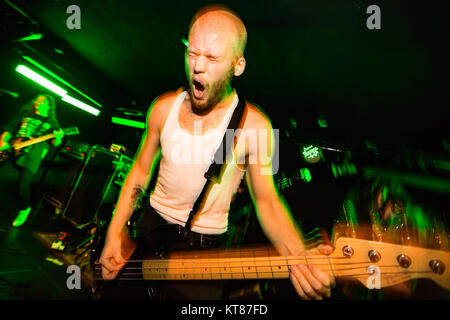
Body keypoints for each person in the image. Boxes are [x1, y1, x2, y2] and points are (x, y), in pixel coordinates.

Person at [99, 5, 334, 300]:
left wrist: (300, 257)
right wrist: (114, 231)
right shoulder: (162, 107)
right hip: (148, 230)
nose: (197, 66)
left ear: (238, 66)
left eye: (212, 58)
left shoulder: (254, 126)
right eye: (192, 52)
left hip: (202, 254)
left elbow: (267, 199)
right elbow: (140, 169)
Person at [0, 94, 64, 227]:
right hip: (14, 149)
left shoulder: (52, 122)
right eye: (36, 100)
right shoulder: (24, 114)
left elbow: (55, 143)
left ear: (49, 106)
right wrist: (2, 142)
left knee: (22, 186)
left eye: (41, 101)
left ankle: (25, 208)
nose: (37, 102)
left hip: (33, 156)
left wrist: (58, 138)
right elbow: (8, 130)